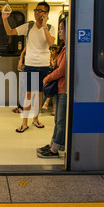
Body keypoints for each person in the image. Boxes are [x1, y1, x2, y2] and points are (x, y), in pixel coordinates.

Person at [2, 2, 56, 133]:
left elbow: (51, 43)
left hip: (43, 65)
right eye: (36, 10)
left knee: (39, 94)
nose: (37, 12)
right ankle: (24, 122)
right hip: (30, 65)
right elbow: (10, 32)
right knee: (28, 94)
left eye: (40, 10)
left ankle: (35, 119)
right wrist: (4, 19)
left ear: (46, 14)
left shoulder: (50, 27)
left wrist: (44, 26)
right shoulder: (29, 26)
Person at [37, 18, 67, 158]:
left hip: (64, 89)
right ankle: (52, 144)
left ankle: (55, 150)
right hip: (60, 88)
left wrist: (47, 78)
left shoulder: (69, 50)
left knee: (60, 121)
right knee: (57, 121)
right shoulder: (64, 48)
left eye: (62, 28)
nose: (60, 31)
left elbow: (61, 70)